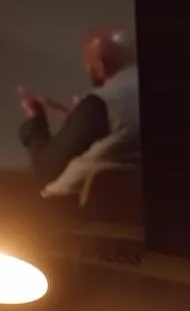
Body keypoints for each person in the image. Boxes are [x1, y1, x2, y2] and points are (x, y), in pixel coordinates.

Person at [16, 25, 141, 198]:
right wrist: (74, 121)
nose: (86, 68)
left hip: (75, 207)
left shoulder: (99, 103)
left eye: (88, 63)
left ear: (100, 67)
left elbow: (45, 171)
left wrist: (36, 119)